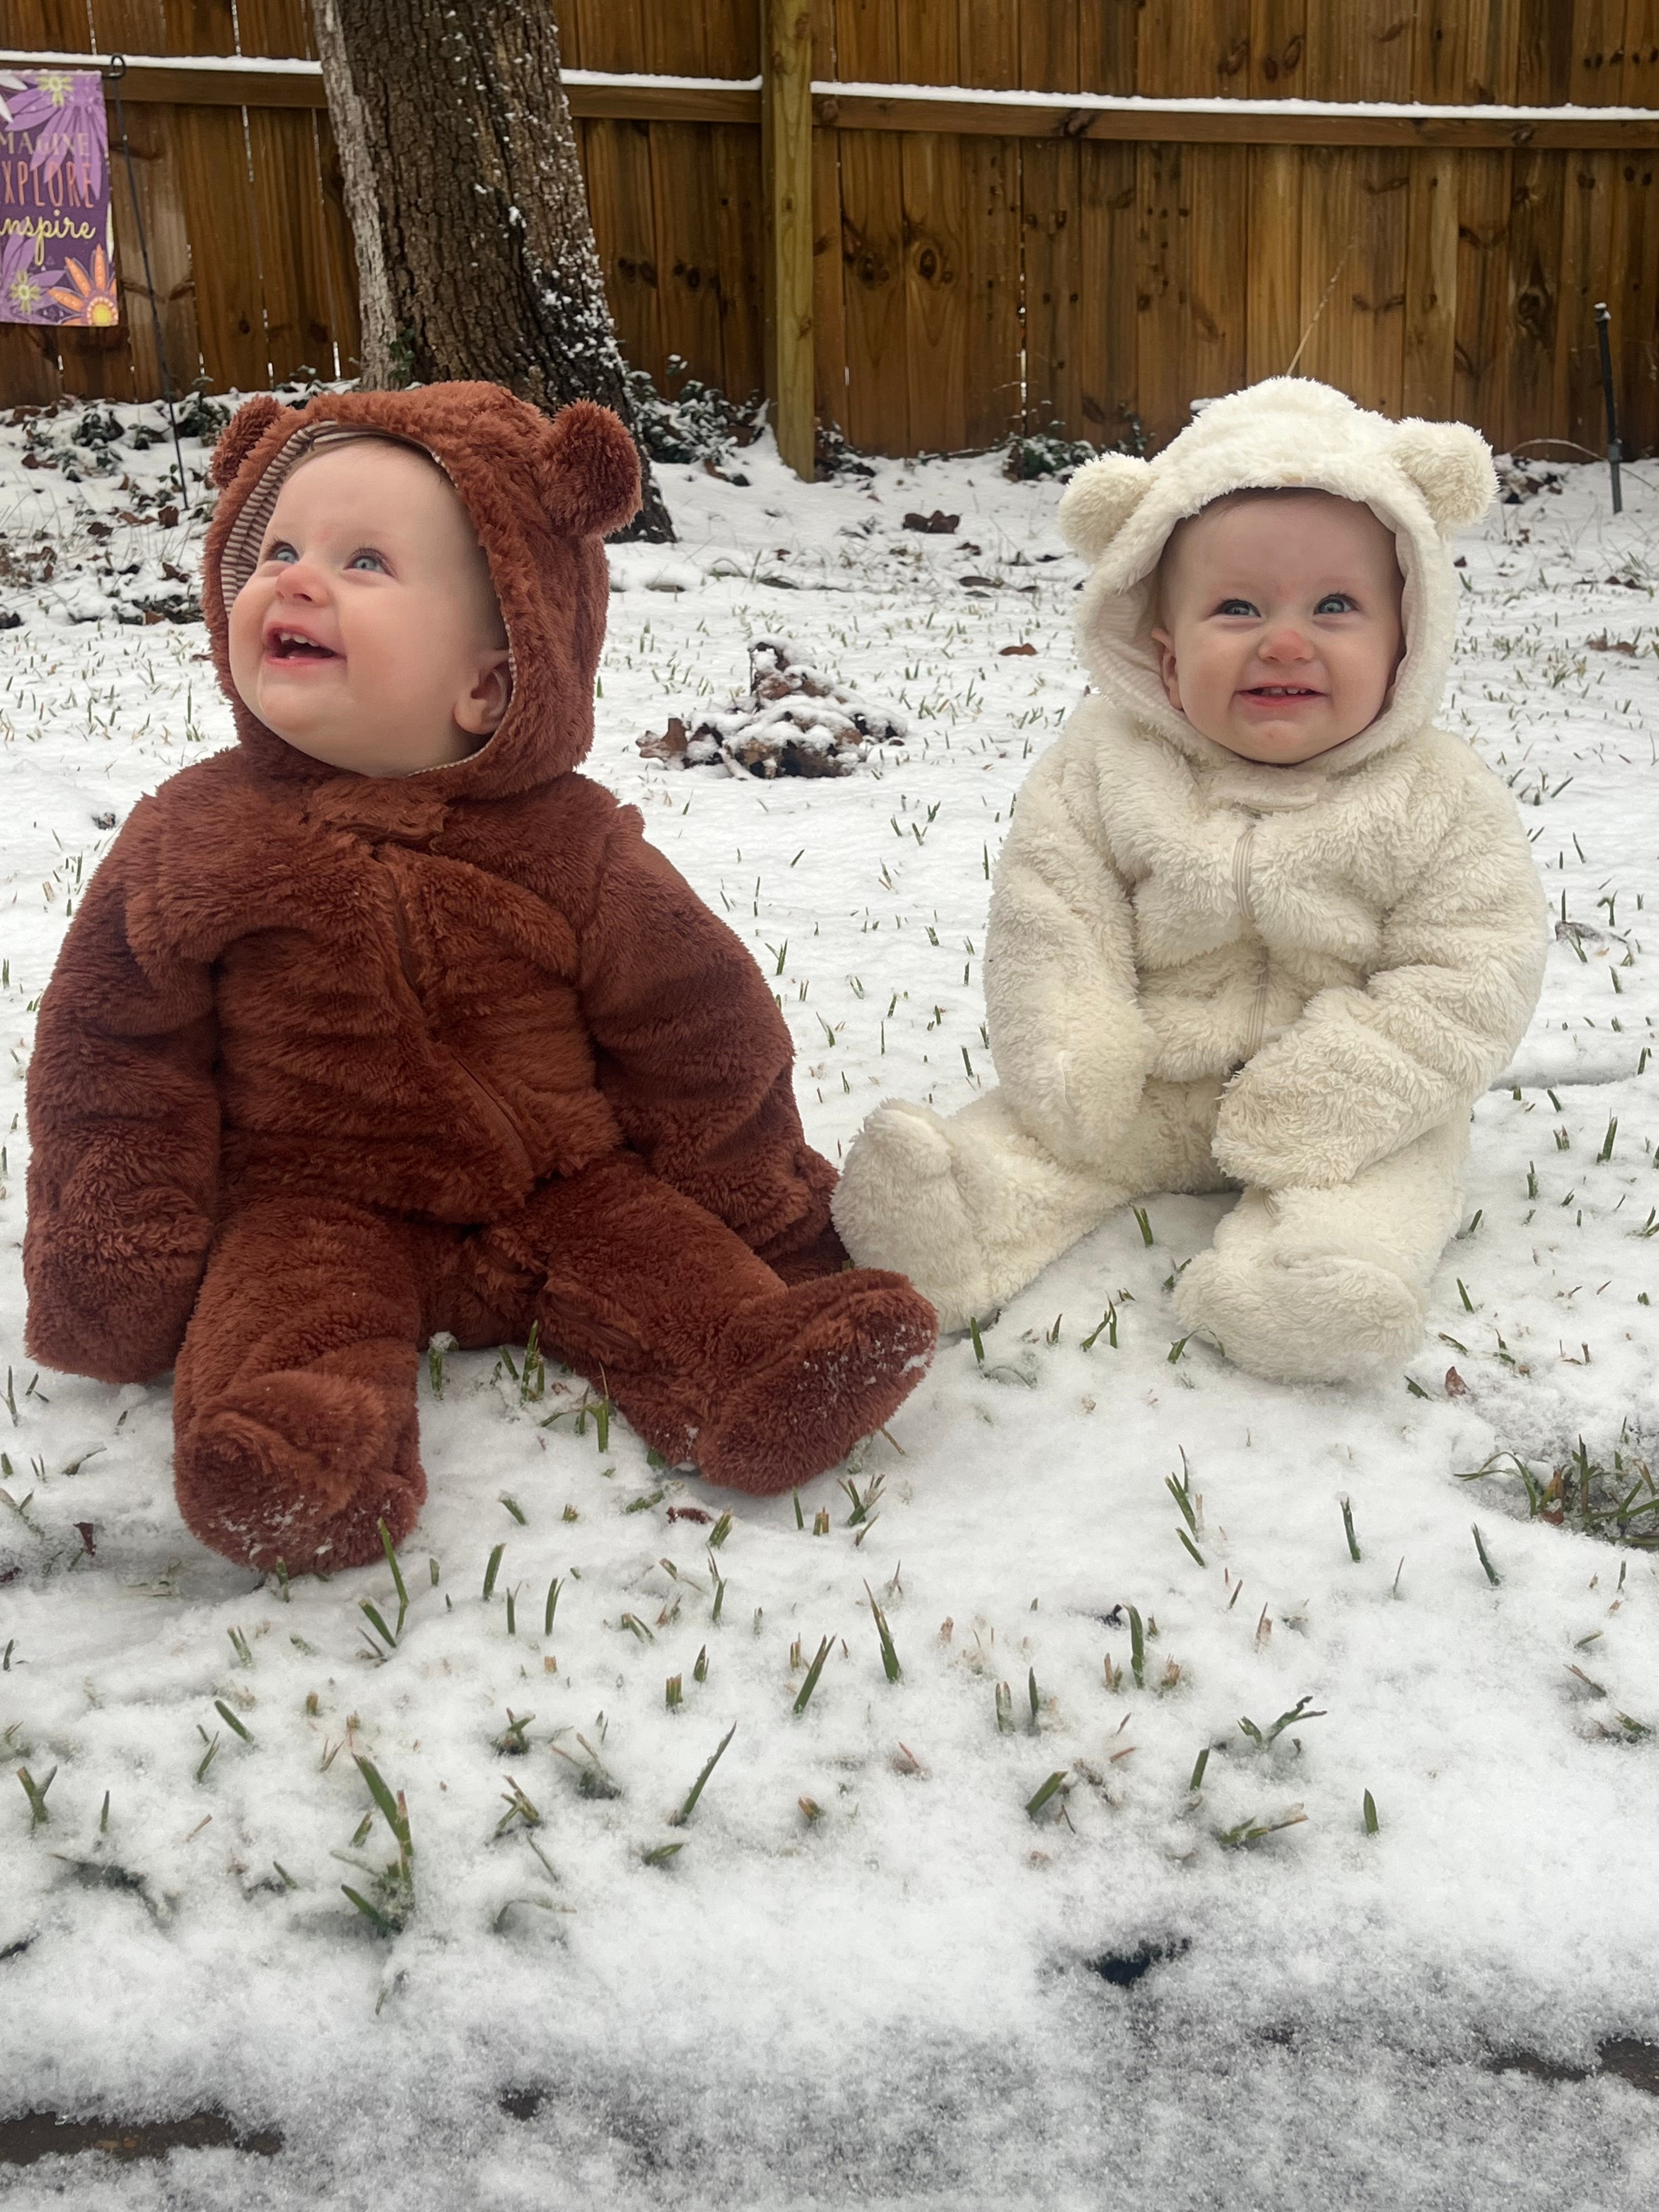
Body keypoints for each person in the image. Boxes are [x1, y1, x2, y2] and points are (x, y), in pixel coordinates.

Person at [24, 385, 935, 1573]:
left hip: (559, 1181)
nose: (294, 582)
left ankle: (753, 1367)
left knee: (661, 1260)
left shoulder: (577, 848)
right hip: (310, 1198)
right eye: (278, 549)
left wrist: (767, 1214)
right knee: (282, 1322)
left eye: (363, 562)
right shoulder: (191, 838)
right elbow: (112, 1055)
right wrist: (111, 1268)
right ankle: (302, 1460)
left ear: (494, 679)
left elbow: (700, 1031)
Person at [832, 378, 1547, 1386]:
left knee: (1387, 1172)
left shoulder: (1440, 798)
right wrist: (1075, 1054)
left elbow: (1473, 970)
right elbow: (1053, 912)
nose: (1285, 639)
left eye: (1336, 606)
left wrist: (1326, 1094)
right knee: (1044, 1139)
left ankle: (1309, 1284)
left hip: (1349, 1099)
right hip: (1155, 1073)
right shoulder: (1104, 768)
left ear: (1407, 643)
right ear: (1164, 658)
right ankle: (956, 1220)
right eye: (1237, 608)